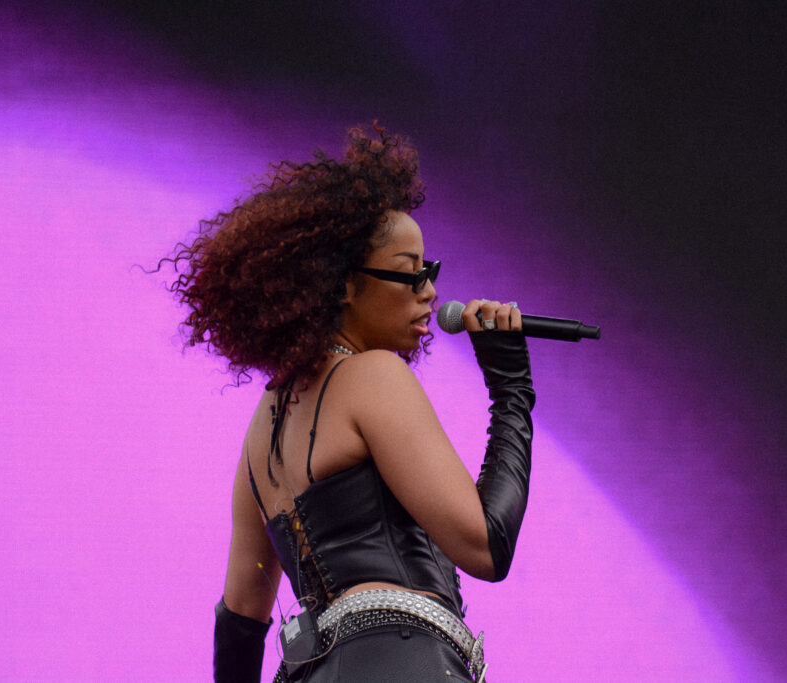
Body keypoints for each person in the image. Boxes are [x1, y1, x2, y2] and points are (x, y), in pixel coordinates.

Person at [165, 124, 535, 682]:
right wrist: (512, 391)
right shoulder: (373, 376)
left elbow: (242, 616)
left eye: (430, 274)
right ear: (342, 285)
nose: (431, 293)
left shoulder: (260, 434)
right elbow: (487, 546)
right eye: (411, 273)